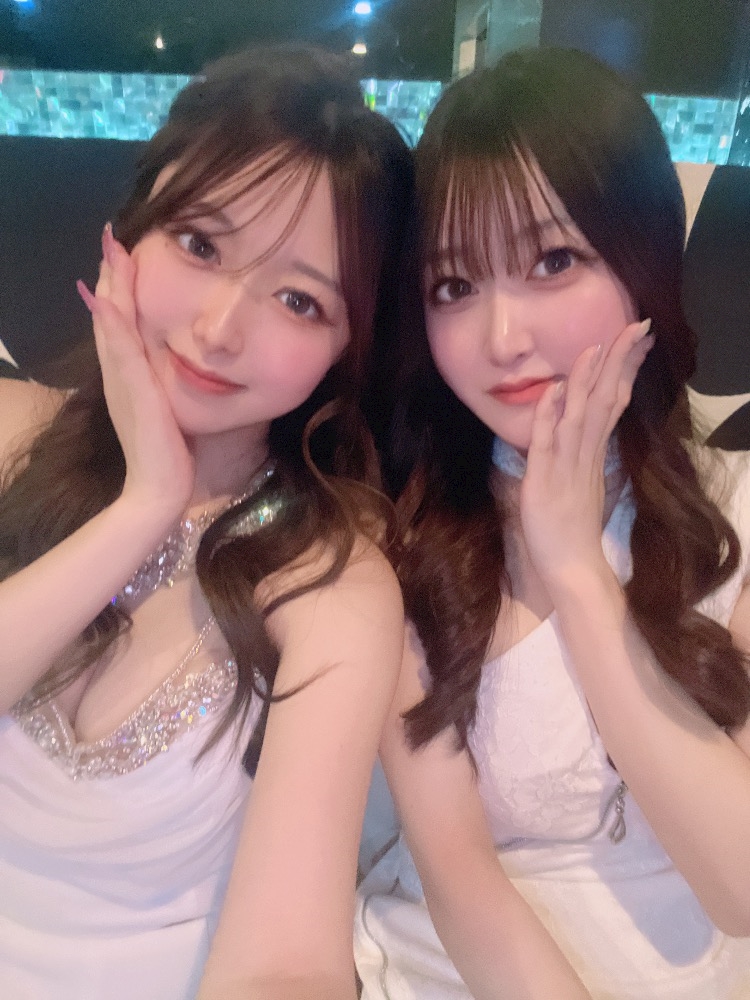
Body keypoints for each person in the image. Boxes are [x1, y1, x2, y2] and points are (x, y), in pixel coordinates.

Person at [0, 44, 412, 1000]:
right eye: (199, 244)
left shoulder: (329, 588)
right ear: (128, 235)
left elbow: (286, 963)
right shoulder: (11, 431)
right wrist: (144, 505)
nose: (221, 328)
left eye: (299, 300)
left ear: (347, 351)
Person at [355, 47, 750, 1000]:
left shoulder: (737, 507)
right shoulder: (397, 538)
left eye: (553, 261)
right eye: (454, 286)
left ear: (644, 260)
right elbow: (460, 886)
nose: (503, 339)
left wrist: (578, 574)